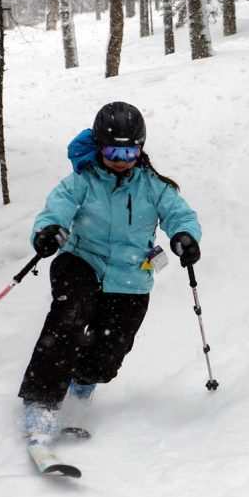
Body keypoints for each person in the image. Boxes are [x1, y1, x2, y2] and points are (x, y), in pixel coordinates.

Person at [18, 101, 202, 444]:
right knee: (69, 316)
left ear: (141, 149)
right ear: (99, 145)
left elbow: (181, 215)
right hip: (80, 260)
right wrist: (48, 232)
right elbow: (54, 211)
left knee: (108, 354)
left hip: (130, 276)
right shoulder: (82, 181)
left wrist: (184, 237)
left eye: (129, 150)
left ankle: (80, 385)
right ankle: (41, 401)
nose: (121, 159)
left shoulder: (154, 186)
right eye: (112, 149)